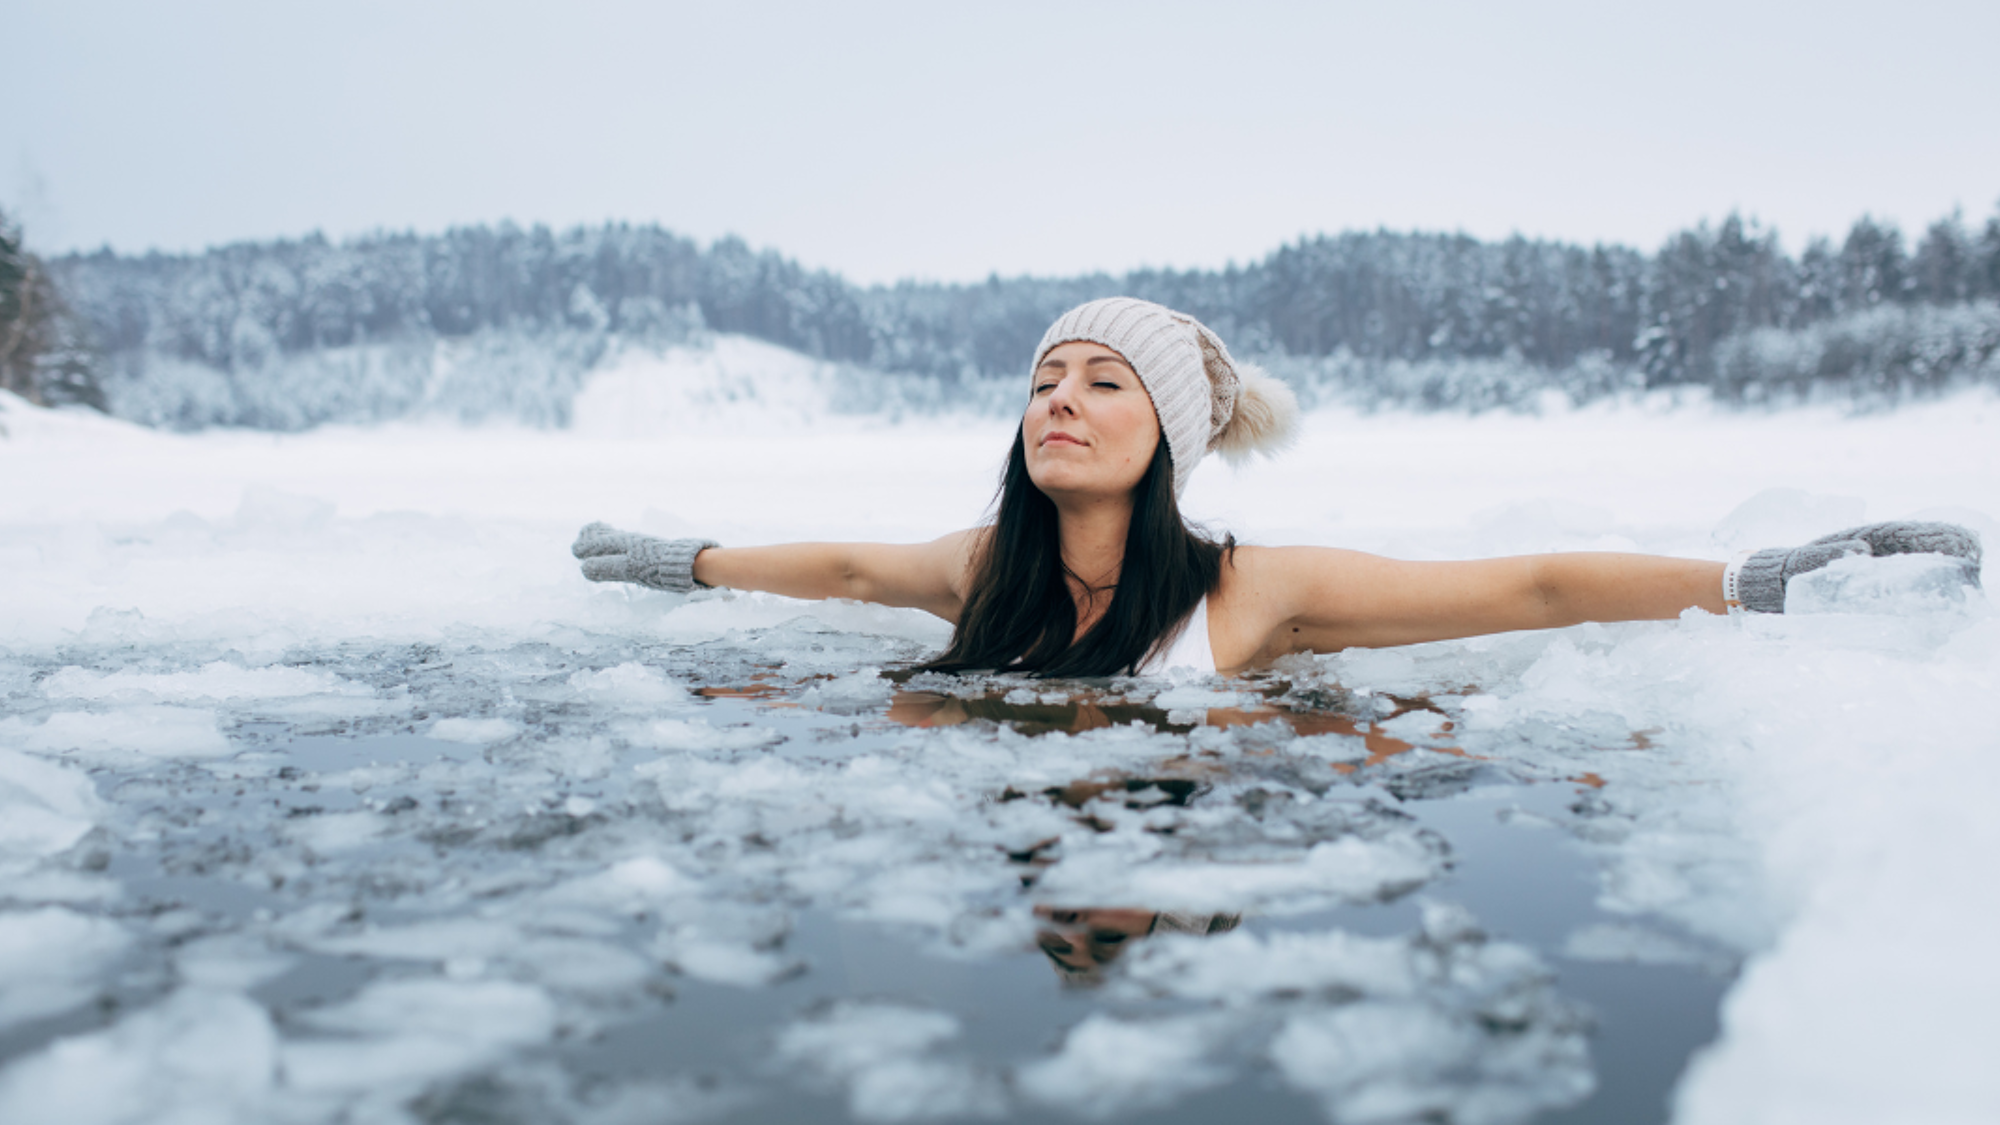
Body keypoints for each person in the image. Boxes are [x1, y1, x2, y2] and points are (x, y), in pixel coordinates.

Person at [572, 298, 1983, 677]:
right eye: (1045, 378)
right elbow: (843, 569)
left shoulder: (1257, 593)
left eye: (1102, 382)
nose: (1059, 399)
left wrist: (1748, 580)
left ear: (1171, 436)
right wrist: (681, 560)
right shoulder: (979, 568)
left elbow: (1530, 587)